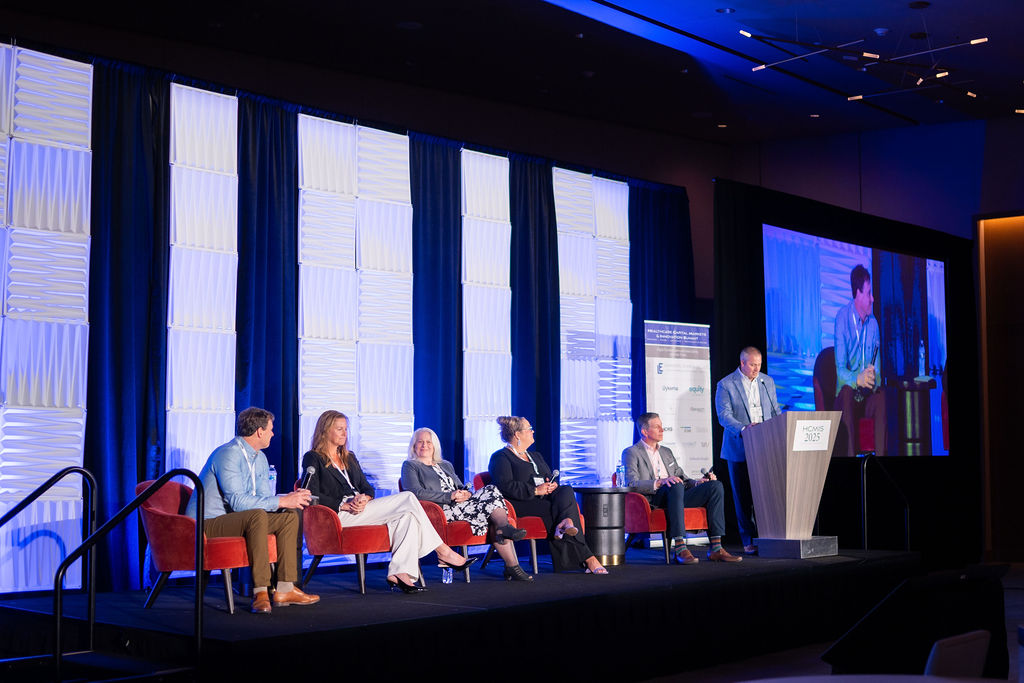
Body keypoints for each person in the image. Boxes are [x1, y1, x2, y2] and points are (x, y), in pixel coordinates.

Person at [301, 410, 477, 594]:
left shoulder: (349, 457)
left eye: (346, 429)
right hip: (338, 515)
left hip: (361, 509)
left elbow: (367, 487)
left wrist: (365, 498)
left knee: (408, 518)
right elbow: (310, 493)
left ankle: (399, 573)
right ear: (325, 430)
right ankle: (443, 551)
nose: (345, 433)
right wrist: (343, 504)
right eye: (339, 429)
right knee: (408, 497)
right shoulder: (313, 457)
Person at [185, 407, 319, 614]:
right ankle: (261, 592)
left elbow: (263, 498)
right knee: (257, 515)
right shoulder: (228, 454)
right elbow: (238, 502)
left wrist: (288, 501)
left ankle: (285, 588)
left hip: (238, 518)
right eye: (271, 429)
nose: (273, 434)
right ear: (259, 431)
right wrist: (282, 500)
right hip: (206, 523)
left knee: (289, 517)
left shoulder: (261, 458)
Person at [401, 427, 532, 582]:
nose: (425, 445)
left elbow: (460, 486)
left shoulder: (445, 465)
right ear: (414, 446)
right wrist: (449, 496)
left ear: (434, 445)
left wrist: (466, 494)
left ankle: (507, 546)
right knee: (494, 510)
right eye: (420, 442)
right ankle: (510, 555)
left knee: (491, 490)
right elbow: (414, 492)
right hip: (441, 510)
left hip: (462, 505)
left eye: (428, 442)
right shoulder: (410, 465)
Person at [488, 416, 607, 574]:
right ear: (517, 434)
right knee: (556, 508)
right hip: (519, 503)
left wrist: (551, 485)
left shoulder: (535, 456)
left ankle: (566, 524)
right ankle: (587, 556)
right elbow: (504, 486)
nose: (533, 431)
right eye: (529, 429)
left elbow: (547, 477)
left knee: (565, 490)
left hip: (543, 499)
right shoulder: (501, 457)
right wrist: (536, 490)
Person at [622, 412, 739, 563]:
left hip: (677, 495)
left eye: (662, 426)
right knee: (675, 485)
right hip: (654, 499)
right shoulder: (631, 452)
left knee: (714, 486)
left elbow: (683, 479)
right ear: (644, 431)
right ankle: (680, 548)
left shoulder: (666, 452)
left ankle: (716, 548)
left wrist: (698, 483)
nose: (662, 430)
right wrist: (660, 482)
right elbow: (631, 483)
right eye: (657, 427)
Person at [715, 346, 782, 555]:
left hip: (766, 444)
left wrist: (781, 428)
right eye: (752, 365)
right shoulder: (726, 384)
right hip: (740, 445)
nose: (756, 369)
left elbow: (774, 410)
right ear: (742, 363)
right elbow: (724, 415)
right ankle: (748, 539)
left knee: (767, 494)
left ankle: (769, 536)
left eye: (759, 365)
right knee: (743, 497)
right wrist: (744, 429)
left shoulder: (766, 381)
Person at [834, 264, 886, 457]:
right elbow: (840, 370)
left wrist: (872, 378)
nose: (873, 298)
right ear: (857, 293)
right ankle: (850, 462)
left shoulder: (873, 324)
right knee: (848, 392)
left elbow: (877, 370)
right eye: (869, 293)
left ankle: (881, 460)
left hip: (865, 395)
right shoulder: (842, 318)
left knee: (881, 396)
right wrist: (858, 379)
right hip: (846, 396)